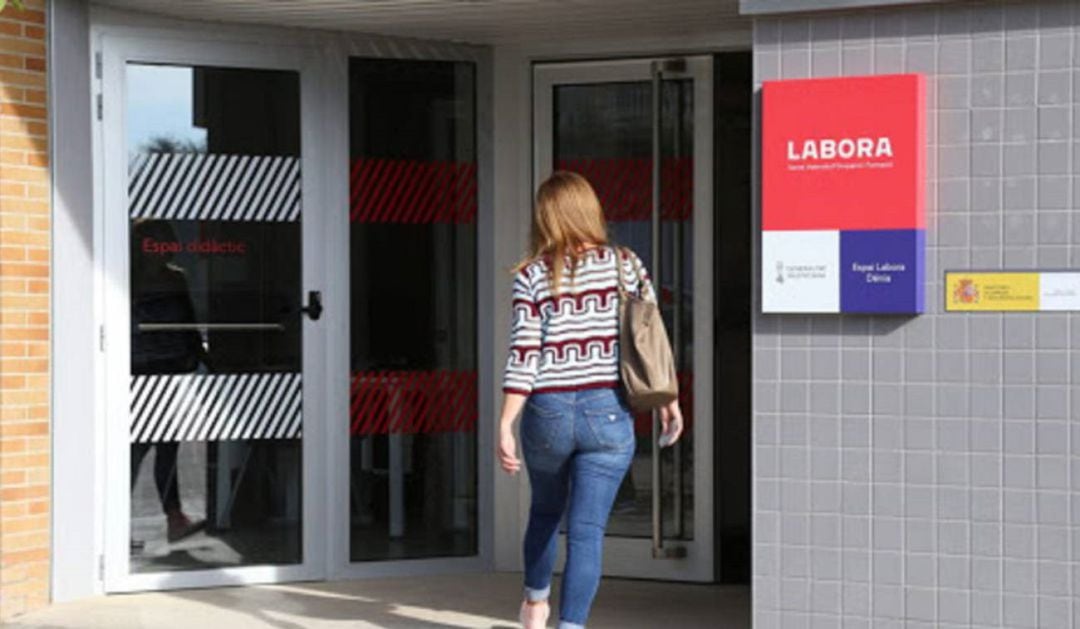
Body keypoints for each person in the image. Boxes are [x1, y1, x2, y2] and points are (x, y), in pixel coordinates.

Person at [497, 171, 684, 629]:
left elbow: (525, 351)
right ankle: (571, 625)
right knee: (586, 533)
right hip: (608, 409)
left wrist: (505, 423)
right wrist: (667, 398)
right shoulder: (625, 263)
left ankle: (535, 605)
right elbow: (648, 337)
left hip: (547, 411)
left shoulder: (532, 275)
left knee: (544, 511)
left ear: (544, 216)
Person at [130, 219, 207, 544]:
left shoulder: (176, 278)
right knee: (133, 448)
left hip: (171, 370)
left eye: (167, 242)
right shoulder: (128, 277)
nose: (163, 249)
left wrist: (198, 358)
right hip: (137, 372)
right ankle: (116, 520)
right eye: (156, 242)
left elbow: (189, 322)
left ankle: (174, 517)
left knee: (167, 447)